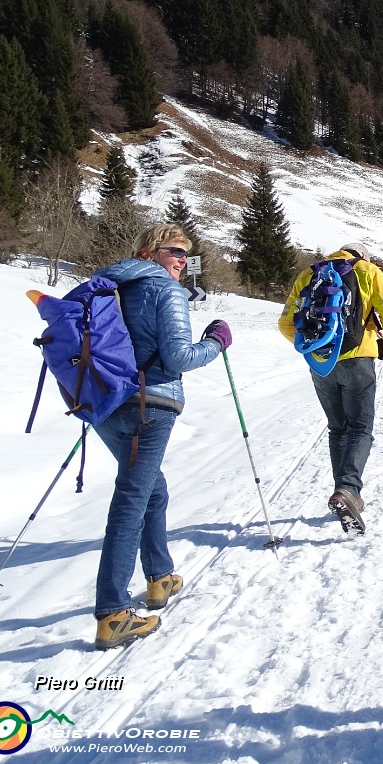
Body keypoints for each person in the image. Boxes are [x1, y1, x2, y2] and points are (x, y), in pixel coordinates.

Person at [91, 224, 231, 650]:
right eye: (175, 252)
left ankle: (159, 578)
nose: (182, 261)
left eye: (186, 254)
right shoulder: (164, 291)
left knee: (152, 489)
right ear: (150, 251)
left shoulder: (110, 285)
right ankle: (112, 612)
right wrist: (217, 341)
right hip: (150, 404)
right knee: (132, 496)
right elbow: (178, 357)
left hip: (105, 403)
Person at [278, 243, 383, 532]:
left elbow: (286, 323)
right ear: (363, 256)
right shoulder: (368, 271)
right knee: (360, 428)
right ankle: (348, 489)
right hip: (358, 359)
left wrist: (315, 348)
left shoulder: (308, 275)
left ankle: (345, 493)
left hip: (321, 363)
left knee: (338, 428)